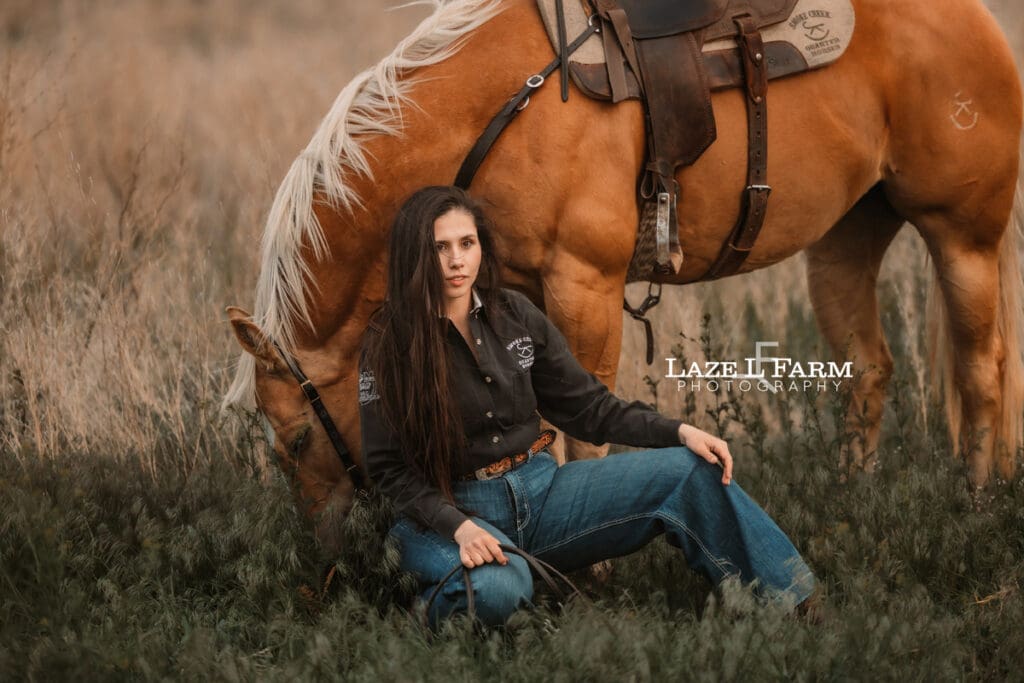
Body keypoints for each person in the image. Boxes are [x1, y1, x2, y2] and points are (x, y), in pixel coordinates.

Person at [359, 186, 816, 627]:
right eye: (440, 247)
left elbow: (588, 407)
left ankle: (791, 605)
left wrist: (677, 431)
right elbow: (388, 469)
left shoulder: (514, 314)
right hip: (450, 512)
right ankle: (417, 615)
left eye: (467, 243)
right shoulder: (388, 342)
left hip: (542, 494)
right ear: (415, 253)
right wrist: (459, 528)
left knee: (690, 470)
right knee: (501, 588)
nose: (457, 260)